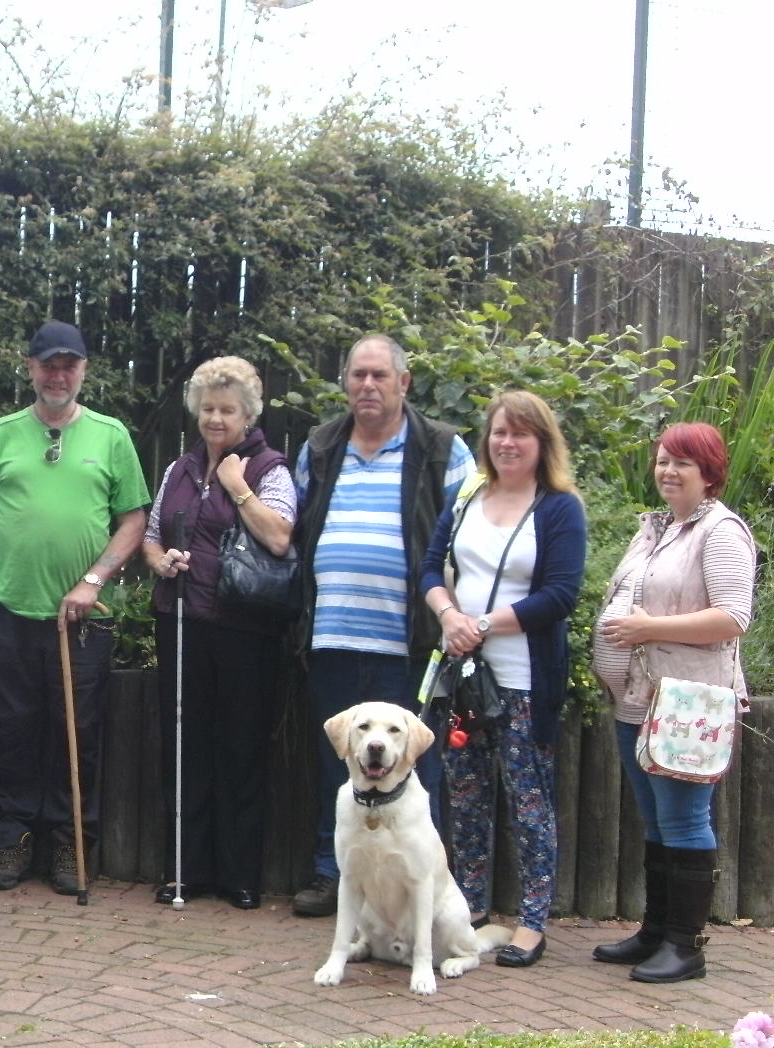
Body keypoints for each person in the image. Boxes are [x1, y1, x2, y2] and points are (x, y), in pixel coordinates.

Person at [0, 320, 151, 895]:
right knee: (10, 728)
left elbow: (135, 520)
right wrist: (14, 556)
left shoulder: (111, 436)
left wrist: (94, 578)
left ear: (84, 371)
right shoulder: (1, 435)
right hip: (7, 610)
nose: (58, 374)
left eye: (69, 365)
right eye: (48, 364)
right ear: (31, 368)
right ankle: (11, 839)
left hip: (83, 619)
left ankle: (72, 844)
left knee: (78, 730)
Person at [291, 333, 476, 918]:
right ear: (345, 384)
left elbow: (472, 542)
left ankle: (424, 888)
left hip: (411, 642)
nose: (367, 386)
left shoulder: (446, 451)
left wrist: (453, 619)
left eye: (379, 376)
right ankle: (333, 875)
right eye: (357, 376)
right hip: (332, 638)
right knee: (337, 769)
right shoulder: (319, 448)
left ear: (404, 382)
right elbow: (293, 532)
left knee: (417, 772)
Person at [419, 390, 587, 967]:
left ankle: (533, 922)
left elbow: (561, 595)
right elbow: (428, 566)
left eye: (520, 433)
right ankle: (471, 908)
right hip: (464, 680)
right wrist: (449, 616)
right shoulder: (466, 496)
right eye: (498, 433)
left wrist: (483, 624)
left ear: (542, 444)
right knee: (464, 797)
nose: (507, 443)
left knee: (529, 801)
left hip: (523, 681)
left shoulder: (560, 508)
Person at [591, 422, 755, 984]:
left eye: (681, 463)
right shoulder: (658, 528)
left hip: (688, 704)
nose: (667, 471)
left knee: (685, 822)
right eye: (662, 461)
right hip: (637, 701)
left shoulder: (721, 532)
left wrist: (646, 628)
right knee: (658, 821)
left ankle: (686, 946)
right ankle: (656, 931)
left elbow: (733, 617)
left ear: (709, 473)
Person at [142, 356, 296, 909]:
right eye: (208, 408)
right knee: (186, 749)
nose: (215, 418)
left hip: (244, 628)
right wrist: (161, 562)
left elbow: (280, 538)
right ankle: (184, 869)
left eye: (227, 410)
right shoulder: (179, 470)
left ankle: (240, 876)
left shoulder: (269, 469)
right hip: (182, 620)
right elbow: (153, 534)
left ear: (248, 415)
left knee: (240, 748)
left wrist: (238, 489)